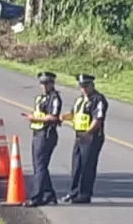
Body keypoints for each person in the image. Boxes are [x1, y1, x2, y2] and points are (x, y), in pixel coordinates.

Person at [61, 74, 109, 204]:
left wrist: (88, 133)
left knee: (87, 166)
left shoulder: (98, 100)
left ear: (92, 85)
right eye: (81, 87)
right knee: (76, 165)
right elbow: (74, 114)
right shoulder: (80, 100)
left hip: (92, 136)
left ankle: (84, 194)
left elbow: (97, 120)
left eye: (86, 86)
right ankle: (74, 192)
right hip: (79, 135)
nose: (84, 89)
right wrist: (62, 117)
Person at [21, 71, 63, 207]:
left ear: (52, 83)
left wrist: (34, 118)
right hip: (37, 133)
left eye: (46, 83)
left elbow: (53, 117)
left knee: (40, 166)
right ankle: (49, 194)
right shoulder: (40, 98)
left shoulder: (54, 98)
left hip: (47, 134)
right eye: (42, 83)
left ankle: (36, 197)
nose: (44, 86)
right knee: (39, 165)